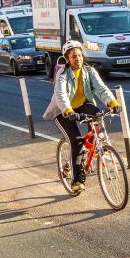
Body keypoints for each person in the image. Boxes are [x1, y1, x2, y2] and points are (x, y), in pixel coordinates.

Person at [43, 41, 120, 194]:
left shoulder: (89, 71)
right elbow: (61, 94)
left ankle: (94, 144)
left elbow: (101, 88)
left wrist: (112, 102)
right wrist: (68, 111)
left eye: (79, 55)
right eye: (73, 56)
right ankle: (77, 180)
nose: (77, 59)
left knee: (98, 114)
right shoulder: (62, 74)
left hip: (82, 104)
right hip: (62, 111)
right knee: (76, 140)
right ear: (67, 59)